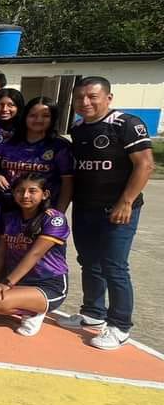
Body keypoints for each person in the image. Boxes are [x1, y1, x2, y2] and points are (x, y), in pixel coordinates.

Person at [57, 77, 153, 350]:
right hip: (86, 207)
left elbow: (145, 165)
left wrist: (126, 201)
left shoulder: (126, 124)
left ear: (108, 98)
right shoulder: (78, 129)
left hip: (118, 210)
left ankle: (120, 325)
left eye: (92, 96)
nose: (85, 102)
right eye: (80, 98)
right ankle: (93, 313)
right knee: (89, 261)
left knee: (115, 266)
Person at [0, 173, 70, 337]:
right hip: (18, 281)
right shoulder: (11, 218)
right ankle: (13, 303)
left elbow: (35, 254)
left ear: (45, 194)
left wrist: (7, 283)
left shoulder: (53, 219)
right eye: (20, 191)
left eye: (32, 191)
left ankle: (34, 312)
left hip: (47, 284)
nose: (25, 195)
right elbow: (0, 253)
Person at [0, 96, 73, 211]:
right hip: (7, 206)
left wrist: (59, 213)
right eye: (33, 115)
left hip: (44, 209)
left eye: (45, 116)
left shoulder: (60, 146)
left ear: (53, 118)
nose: (38, 120)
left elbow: (67, 183)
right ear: (25, 116)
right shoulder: (8, 142)